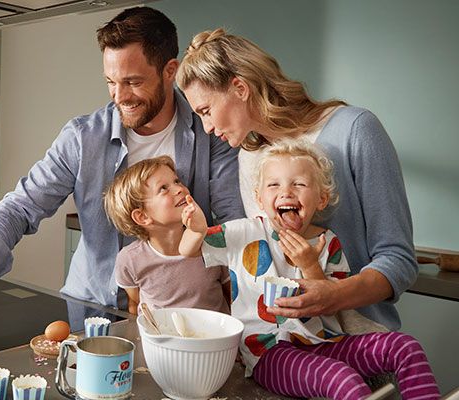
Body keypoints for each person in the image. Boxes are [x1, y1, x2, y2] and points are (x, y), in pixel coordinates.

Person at [0, 9, 244, 333]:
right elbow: (19, 208)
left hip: (184, 320)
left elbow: (235, 226)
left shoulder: (211, 130)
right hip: (93, 308)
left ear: (170, 70)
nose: (120, 96)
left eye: (132, 82)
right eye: (111, 82)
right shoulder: (83, 138)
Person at [175, 28, 418, 332]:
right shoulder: (250, 160)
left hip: (365, 343)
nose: (207, 127)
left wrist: (334, 295)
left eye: (206, 111)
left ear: (239, 88)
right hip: (292, 347)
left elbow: (398, 259)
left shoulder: (354, 130)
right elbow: (266, 256)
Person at [180, 138, 439, 399]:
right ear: (259, 198)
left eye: (299, 184)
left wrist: (310, 265)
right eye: (273, 184)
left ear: (321, 198)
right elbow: (189, 249)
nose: (286, 192)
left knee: (405, 347)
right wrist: (196, 229)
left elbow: (332, 302)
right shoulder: (242, 232)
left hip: (323, 342)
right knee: (344, 380)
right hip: (268, 352)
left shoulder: (329, 242)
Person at [103, 155, 231, 316]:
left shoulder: (213, 243)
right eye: (163, 188)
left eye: (176, 181)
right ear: (142, 217)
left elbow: (232, 296)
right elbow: (135, 303)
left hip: (215, 338)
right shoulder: (129, 260)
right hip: (163, 339)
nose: (180, 189)